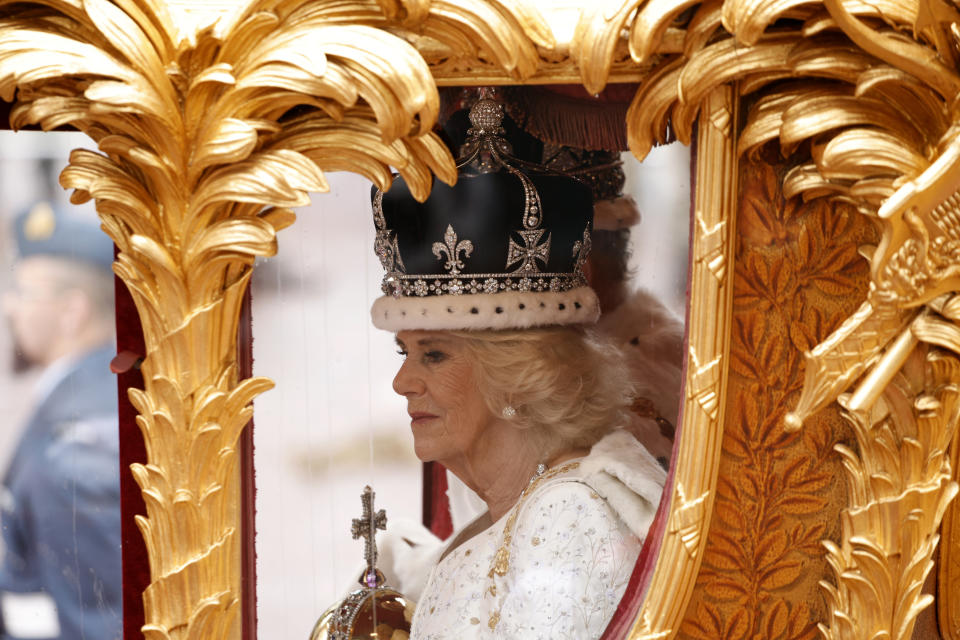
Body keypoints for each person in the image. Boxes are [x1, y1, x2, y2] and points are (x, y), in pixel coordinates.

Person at [370, 98, 666, 638]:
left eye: (433, 354)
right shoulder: (518, 508)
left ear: (518, 375)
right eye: (404, 352)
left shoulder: (567, 517)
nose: (402, 382)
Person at [0, 202, 121, 640]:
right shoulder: (91, 392)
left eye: (23, 291)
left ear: (73, 310)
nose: (9, 307)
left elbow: (99, 624)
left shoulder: (77, 451)